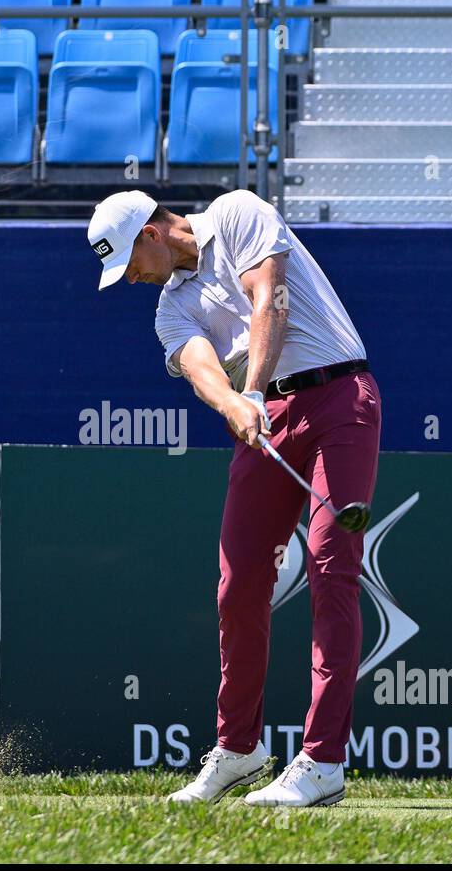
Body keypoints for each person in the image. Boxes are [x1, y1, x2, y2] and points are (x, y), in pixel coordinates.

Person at [87, 189, 382, 807]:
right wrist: (236, 404)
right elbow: (202, 372)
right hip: (266, 415)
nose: (135, 280)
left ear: (151, 234)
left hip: (339, 401)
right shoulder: (172, 308)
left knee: (332, 571)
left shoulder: (238, 212)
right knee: (239, 582)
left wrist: (250, 393)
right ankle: (239, 747)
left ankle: (323, 761)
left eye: (131, 265)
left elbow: (268, 299)